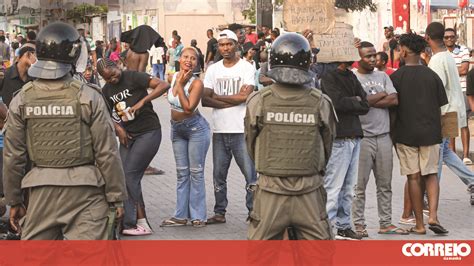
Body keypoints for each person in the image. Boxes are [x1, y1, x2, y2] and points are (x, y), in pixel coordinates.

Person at [3, 22, 127, 240]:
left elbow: (13, 156)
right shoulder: (89, 96)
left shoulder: (22, 99)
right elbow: (107, 152)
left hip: (40, 193)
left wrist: (14, 200)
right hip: (86, 193)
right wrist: (116, 197)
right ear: (74, 54)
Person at [246, 32, 336, 240]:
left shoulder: (259, 101)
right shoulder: (321, 102)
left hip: (270, 193)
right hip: (310, 194)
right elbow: (327, 146)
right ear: (307, 63)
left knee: (261, 257)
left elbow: (251, 144)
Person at [97, 58, 170, 236]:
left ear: (116, 66)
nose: (113, 80)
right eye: (108, 79)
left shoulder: (133, 76)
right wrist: (118, 128)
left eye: (113, 75)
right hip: (128, 136)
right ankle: (140, 221)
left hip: (148, 131)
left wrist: (142, 102)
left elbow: (163, 85)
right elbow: (106, 114)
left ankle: (131, 223)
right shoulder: (106, 90)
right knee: (124, 175)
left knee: (130, 175)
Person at [391, 33, 449, 235]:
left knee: (414, 178)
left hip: (405, 134)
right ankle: (432, 215)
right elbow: (442, 105)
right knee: (431, 174)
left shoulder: (395, 78)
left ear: (404, 51)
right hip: (431, 133)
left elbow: (392, 109)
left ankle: (420, 225)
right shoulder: (432, 75)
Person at [351, 42, 406, 238]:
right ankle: (358, 224)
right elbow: (355, 104)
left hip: (383, 137)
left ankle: (385, 223)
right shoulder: (353, 78)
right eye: (368, 56)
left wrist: (367, 101)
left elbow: (394, 99)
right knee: (359, 186)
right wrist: (378, 97)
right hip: (363, 139)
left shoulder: (383, 76)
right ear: (358, 58)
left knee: (385, 184)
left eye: (374, 55)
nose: (373, 59)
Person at [202, 29, 257, 224]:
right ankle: (219, 212)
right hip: (219, 130)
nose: (225, 48)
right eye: (222, 45)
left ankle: (253, 211)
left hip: (241, 131)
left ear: (236, 45)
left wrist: (217, 97)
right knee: (218, 175)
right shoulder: (213, 69)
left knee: (250, 175)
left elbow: (246, 96)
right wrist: (236, 99)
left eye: (229, 44)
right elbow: (205, 100)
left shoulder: (246, 68)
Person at [160, 47, 211, 228]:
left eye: (193, 58)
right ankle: (180, 216)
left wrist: (181, 86)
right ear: (179, 59)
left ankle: (198, 216)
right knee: (182, 174)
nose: (189, 60)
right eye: (185, 57)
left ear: (197, 63)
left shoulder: (197, 83)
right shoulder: (172, 77)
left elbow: (188, 108)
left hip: (196, 129)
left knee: (195, 173)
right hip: (177, 130)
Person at [321, 60, 370, 240]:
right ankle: (327, 228)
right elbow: (336, 103)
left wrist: (351, 101)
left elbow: (365, 104)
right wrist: (353, 100)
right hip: (339, 137)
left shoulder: (351, 76)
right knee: (333, 187)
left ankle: (343, 225)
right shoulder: (328, 76)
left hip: (355, 135)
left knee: (349, 188)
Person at [426, 22, 474, 206]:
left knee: (438, 154)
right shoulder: (447, 55)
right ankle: (472, 180)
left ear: (428, 37)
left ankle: (430, 196)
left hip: (444, 112)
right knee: (445, 151)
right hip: (453, 110)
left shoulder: (438, 60)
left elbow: (436, 90)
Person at [444, 28, 472, 164]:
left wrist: (447, 70)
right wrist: (456, 69)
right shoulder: (441, 53)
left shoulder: (464, 50)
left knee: (463, 122)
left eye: (451, 37)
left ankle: (466, 155)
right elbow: (459, 70)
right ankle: (452, 154)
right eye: (446, 37)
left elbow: (464, 69)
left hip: (462, 89)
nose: (449, 39)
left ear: (456, 38)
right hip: (448, 91)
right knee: (450, 123)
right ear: (443, 39)